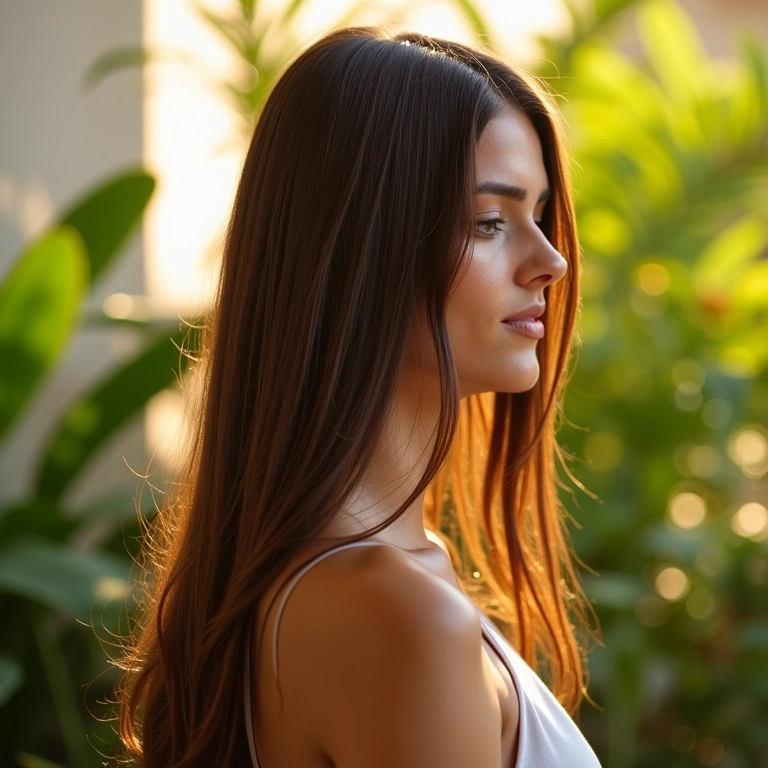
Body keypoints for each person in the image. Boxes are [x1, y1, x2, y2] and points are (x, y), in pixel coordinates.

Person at [118, 26, 600, 768]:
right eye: (489, 222)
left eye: (538, 216)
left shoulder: (373, 578)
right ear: (362, 252)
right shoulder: (398, 617)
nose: (551, 260)